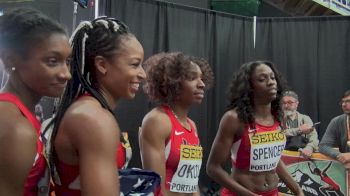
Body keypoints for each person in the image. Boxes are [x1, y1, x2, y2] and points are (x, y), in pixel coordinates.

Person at [49, 17, 146, 195]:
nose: (143, 74)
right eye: (135, 64)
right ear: (102, 64)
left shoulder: (89, 110)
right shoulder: (92, 118)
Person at [0, 8, 71, 195]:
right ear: (10, 61)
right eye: (52, 61)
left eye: (67, 61)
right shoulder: (15, 127)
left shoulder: (18, 112)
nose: (66, 74)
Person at [206, 61, 304, 196]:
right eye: (262, 79)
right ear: (249, 87)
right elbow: (213, 168)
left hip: (273, 192)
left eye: (273, 77)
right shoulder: (234, 118)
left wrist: (297, 190)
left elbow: (274, 160)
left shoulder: (279, 116)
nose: (271, 82)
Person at [139, 52, 214, 195]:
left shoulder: (191, 125)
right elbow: (156, 189)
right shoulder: (158, 121)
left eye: (202, 78)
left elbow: (191, 183)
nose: (202, 84)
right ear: (173, 82)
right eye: (193, 78)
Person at [281, 90, 319, 157]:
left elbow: (313, 137)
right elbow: (278, 135)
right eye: (284, 103)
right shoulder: (278, 119)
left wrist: (309, 148)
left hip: (302, 155)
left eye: (290, 102)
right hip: (283, 155)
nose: (286, 106)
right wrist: (299, 130)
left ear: (297, 104)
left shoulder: (305, 118)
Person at [319, 90, 350, 168]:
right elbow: (323, 146)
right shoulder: (336, 121)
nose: (343, 104)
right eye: (342, 102)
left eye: (348, 101)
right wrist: (339, 155)